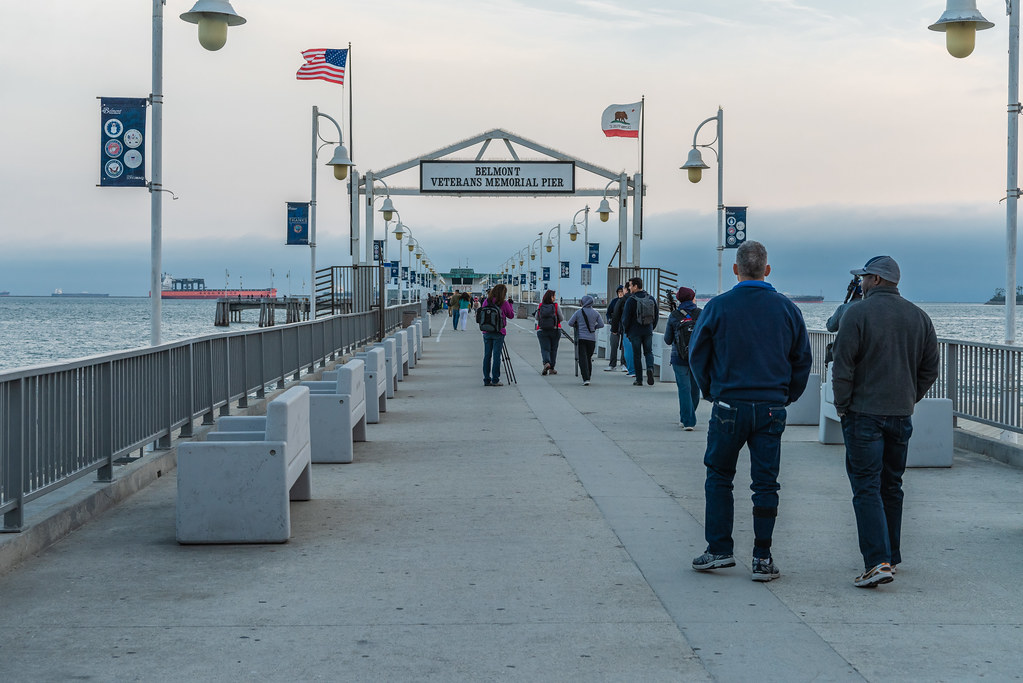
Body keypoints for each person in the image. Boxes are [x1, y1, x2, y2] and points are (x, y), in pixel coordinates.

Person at [688, 241, 813, 582]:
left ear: (736, 269)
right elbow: (802, 358)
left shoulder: (718, 306)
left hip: (729, 405)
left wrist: (711, 390)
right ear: (767, 270)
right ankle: (762, 557)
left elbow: (697, 353)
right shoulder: (787, 309)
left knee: (719, 476)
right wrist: (787, 396)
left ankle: (719, 550)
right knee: (766, 483)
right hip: (771, 407)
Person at [831, 255, 939, 588]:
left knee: (866, 487)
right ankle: (891, 555)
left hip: (863, 414)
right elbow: (929, 369)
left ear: (876, 280)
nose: (861, 282)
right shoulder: (920, 317)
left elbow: (843, 365)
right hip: (900, 414)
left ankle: (876, 562)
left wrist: (842, 405)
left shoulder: (857, 313)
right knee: (891, 485)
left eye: (864, 278)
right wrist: (909, 398)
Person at [664, 286, 701, 430]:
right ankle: (688, 416)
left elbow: (667, 339)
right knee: (695, 388)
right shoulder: (701, 313)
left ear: (678, 299)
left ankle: (688, 420)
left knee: (684, 389)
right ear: (692, 297)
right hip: (697, 357)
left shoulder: (674, 315)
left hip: (679, 357)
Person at [621, 276, 659, 386]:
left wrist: (627, 331)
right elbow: (655, 316)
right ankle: (650, 368)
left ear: (636, 286)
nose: (629, 288)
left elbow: (625, 319)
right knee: (648, 352)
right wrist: (651, 327)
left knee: (637, 355)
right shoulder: (651, 298)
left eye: (631, 285)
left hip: (634, 332)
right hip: (648, 330)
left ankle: (639, 379)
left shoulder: (631, 300)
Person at [480, 284, 516, 387]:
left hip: (486, 332)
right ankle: (495, 379)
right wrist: (510, 304)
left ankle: (486, 379)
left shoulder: (487, 301)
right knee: (496, 356)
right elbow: (511, 315)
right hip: (499, 332)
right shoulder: (504, 303)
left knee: (487, 356)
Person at [567, 295, 605, 385]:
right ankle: (589, 376)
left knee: (582, 358)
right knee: (588, 358)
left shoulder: (578, 312)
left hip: (581, 338)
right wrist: (594, 327)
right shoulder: (596, 313)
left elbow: (570, 323)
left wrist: (578, 325)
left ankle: (586, 378)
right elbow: (602, 324)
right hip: (592, 339)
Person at [534, 289, 564, 375]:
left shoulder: (540, 305)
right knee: (553, 349)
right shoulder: (555, 306)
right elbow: (561, 318)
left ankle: (546, 363)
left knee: (544, 348)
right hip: (555, 329)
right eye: (554, 296)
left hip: (542, 330)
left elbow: (536, 318)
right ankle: (552, 368)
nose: (555, 298)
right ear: (551, 297)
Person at [604, 285, 625, 372]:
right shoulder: (614, 302)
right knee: (613, 345)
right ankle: (612, 364)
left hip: (624, 327)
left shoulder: (627, 301)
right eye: (619, 292)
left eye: (621, 292)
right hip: (615, 326)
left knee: (624, 346)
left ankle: (624, 364)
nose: (620, 293)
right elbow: (608, 313)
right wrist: (609, 320)